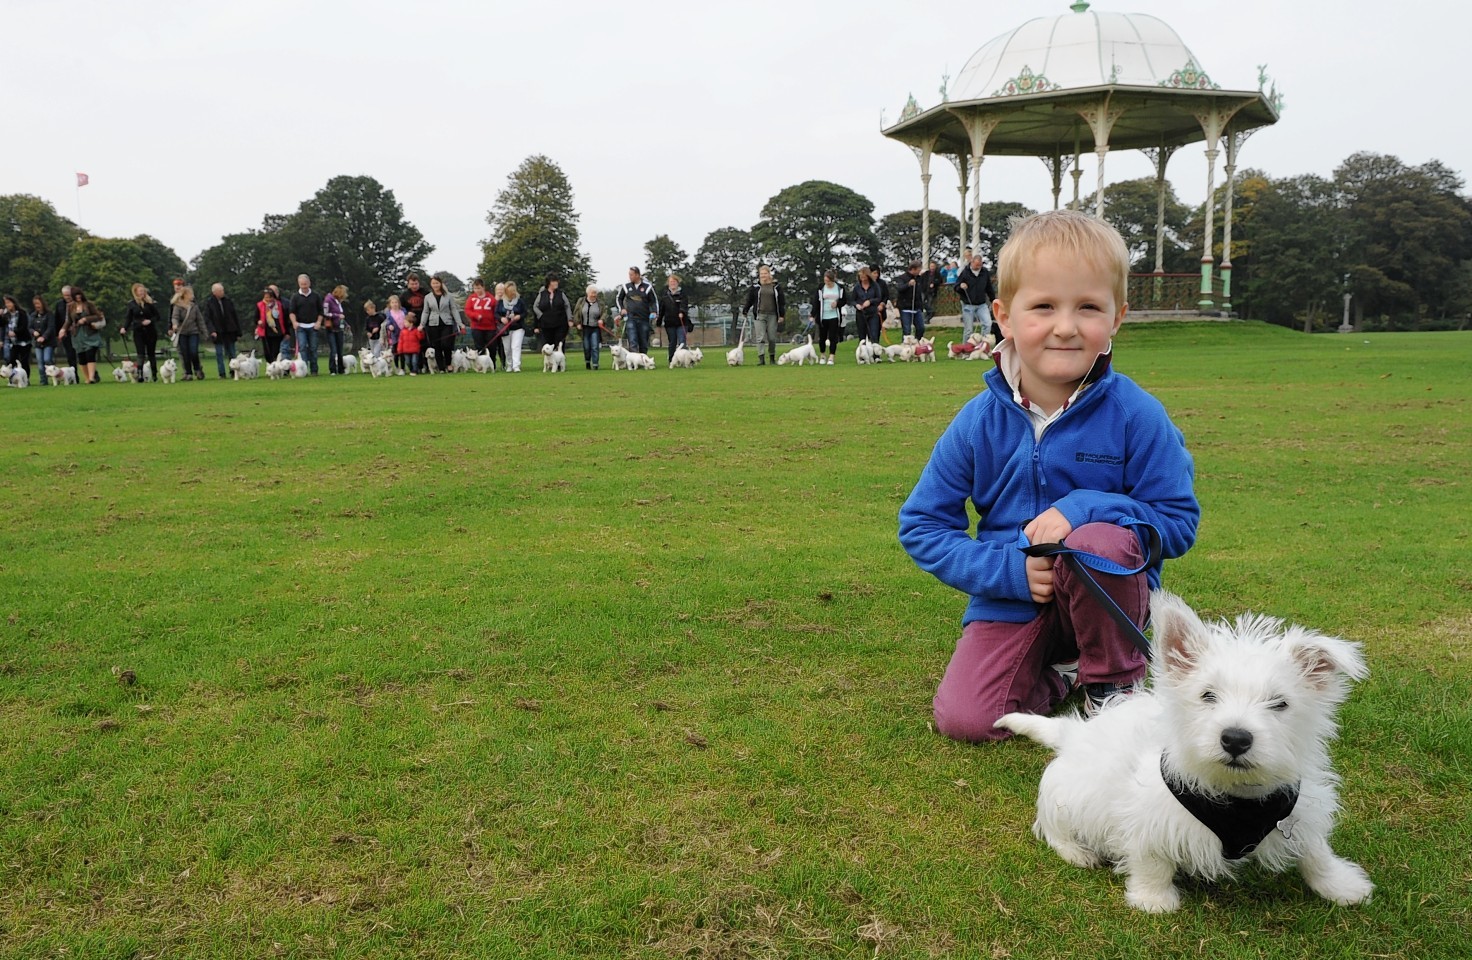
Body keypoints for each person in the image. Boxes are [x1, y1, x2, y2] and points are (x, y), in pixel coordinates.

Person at [897, 210, 1200, 744]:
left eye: (1088, 307)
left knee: (1097, 540)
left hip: (1107, 594)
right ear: (1004, 316)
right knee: (969, 721)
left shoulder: (1138, 414)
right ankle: (1063, 675)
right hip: (1014, 598)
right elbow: (922, 525)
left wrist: (1085, 507)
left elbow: (1177, 523)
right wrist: (1010, 571)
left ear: (1117, 317)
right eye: (1043, 307)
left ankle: (1114, 686)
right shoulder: (978, 421)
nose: (1065, 326)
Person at [741, 265, 786, 366]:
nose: (763, 276)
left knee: (771, 338)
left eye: (765, 273)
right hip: (759, 315)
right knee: (760, 338)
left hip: (773, 315)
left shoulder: (776, 287)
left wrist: (782, 315)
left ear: (769, 274)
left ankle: (772, 357)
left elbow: (782, 302)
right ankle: (761, 358)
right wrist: (745, 310)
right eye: (761, 274)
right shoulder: (756, 288)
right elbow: (750, 300)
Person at [420, 275, 462, 373]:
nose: (435, 285)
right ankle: (441, 367)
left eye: (437, 283)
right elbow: (425, 311)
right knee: (436, 346)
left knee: (446, 344)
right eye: (433, 283)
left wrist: (459, 323)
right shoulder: (428, 297)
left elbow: (453, 309)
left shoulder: (448, 296)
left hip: (446, 322)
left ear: (440, 284)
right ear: (431, 284)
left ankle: (448, 363)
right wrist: (422, 324)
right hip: (433, 323)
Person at [121, 283, 162, 381]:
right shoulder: (132, 304)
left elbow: (157, 316)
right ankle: (140, 374)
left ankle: (154, 374)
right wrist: (124, 328)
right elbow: (129, 318)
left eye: (143, 291)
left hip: (150, 331)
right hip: (138, 331)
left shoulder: (150, 303)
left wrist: (150, 321)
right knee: (140, 353)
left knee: (151, 353)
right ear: (136, 292)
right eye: (140, 291)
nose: (142, 293)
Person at [67, 288, 106, 384]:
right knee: (81, 357)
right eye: (76, 296)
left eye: (79, 295)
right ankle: (87, 378)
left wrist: (86, 319)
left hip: (90, 333)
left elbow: (98, 316)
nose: (78, 297)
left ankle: (92, 377)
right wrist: (63, 330)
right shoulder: (70, 306)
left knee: (90, 355)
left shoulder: (89, 304)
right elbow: (68, 321)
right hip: (78, 335)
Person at [203, 282, 242, 380]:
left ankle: (234, 371)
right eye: (221, 291)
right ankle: (222, 373)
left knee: (232, 353)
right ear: (215, 292)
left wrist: (238, 331)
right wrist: (212, 330)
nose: (222, 292)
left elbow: (234, 316)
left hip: (230, 331)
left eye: (223, 290)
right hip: (218, 332)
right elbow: (207, 318)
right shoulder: (209, 303)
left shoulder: (228, 301)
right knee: (219, 354)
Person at [956, 254, 998, 343]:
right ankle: (966, 349)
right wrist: (961, 286)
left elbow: (989, 288)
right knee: (969, 329)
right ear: (972, 262)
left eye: (980, 265)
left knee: (987, 324)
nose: (978, 267)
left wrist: (993, 300)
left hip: (982, 304)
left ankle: (983, 346)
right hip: (968, 304)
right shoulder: (965, 272)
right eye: (976, 265)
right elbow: (956, 286)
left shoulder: (984, 272)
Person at [169, 284, 207, 381]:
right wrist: (175, 324)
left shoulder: (194, 307)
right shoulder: (177, 306)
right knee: (185, 353)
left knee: (193, 352)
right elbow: (175, 317)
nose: (192, 296)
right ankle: (188, 373)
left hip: (193, 332)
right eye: (191, 294)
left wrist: (204, 332)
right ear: (185, 295)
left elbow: (200, 320)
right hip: (182, 333)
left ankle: (198, 369)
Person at [615, 267, 656, 355]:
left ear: (637, 275)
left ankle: (643, 360)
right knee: (632, 340)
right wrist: (622, 309)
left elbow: (653, 301)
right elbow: (619, 298)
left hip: (644, 318)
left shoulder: (647, 287)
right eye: (629, 274)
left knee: (643, 342)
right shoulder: (626, 287)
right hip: (631, 318)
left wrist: (654, 311)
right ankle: (634, 362)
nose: (630, 276)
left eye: (631, 275)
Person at [288, 274, 324, 375]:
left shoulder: (316, 296)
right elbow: (291, 312)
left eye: (305, 284)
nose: (304, 286)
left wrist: (318, 322)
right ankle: (303, 370)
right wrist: (294, 322)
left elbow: (321, 311)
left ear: (309, 283)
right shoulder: (295, 297)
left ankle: (314, 370)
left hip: (313, 326)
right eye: (302, 284)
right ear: (299, 284)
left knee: (313, 348)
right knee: (302, 347)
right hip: (300, 326)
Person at [811, 270, 846, 365]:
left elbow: (844, 300)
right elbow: (816, 302)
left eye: (828, 281)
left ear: (832, 280)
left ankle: (831, 356)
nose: (827, 283)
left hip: (834, 316)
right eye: (825, 280)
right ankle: (822, 355)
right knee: (822, 337)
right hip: (823, 316)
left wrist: (837, 303)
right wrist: (813, 314)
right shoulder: (821, 288)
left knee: (833, 337)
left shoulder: (840, 288)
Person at [533, 275, 573, 355]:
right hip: (546, 324)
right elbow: (535, 307)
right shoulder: (542, 294)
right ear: (549, 283)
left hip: (560, 322)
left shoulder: (561, 294)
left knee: (559, 343)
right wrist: (541, 315)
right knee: (549, 344)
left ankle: (560, 363)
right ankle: (550, 363)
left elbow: (567, 306)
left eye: (556, 281)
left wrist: (570, 319)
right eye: (554, 281)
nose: (556, 283)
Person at [657, 273, 690, 364]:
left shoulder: (683, 294)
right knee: (672, 342)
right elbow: (661, 310)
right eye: (671, 282)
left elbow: (684, 305)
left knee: (682, 342)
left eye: (674, 282)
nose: (673, 283)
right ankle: (672, 360)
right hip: (669, 323)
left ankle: (685, 360)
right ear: (668, 283)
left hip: (681, 322)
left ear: (677, 283)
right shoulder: (664, 296)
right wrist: (658, 323)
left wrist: (682, 312)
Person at [463, 278, 499, 360]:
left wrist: (496, 321)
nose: (477, 290)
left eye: (478, 288)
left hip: (490, 327)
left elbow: (496, 311)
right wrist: (475, 315)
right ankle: (481, 364)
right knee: (479, 346)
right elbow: (467, 310)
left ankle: (492, 362)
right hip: (477, 327)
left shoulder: (491, 298)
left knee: (492, 346)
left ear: (483, 287)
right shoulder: (471, 298)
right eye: (475, 288)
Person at [893, 260, 929, 339]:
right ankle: (905, 346)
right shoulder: (902, 278)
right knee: (907, 330)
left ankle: (917, 342)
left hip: (917, 307)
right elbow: (900, 288)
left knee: (921, 328)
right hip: (905, 308)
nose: (919, 272)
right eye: (918, 270)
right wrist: (908, 284)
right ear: (913, 269)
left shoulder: (919, 278)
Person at [496, 281, 527, 372]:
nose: (512, 294)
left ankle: (516, 365)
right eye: (509, 292)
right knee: (507, 348)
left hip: (518, 327)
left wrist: (519, 316)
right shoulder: (501, 302)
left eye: (513, 291)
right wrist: (501, 318)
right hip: (505, 329)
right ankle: (509, 364)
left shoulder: (520, 301)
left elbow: (525, 312)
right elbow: (496, 314)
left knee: (516, 346)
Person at [575, 284, 606, 370]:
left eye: (595, 293)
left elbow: (604, 313)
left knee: (595, 346)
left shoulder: (600, 303)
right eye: (592, 293)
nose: (594, 295)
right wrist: (577, 323)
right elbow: (577, 312)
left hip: (595, 327)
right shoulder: (581, 301)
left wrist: (602, 320)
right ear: (587, 293)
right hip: (585, 327)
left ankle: (595, 364)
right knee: (587, 346)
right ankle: (587, 362)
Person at [256, 287, 291, 362]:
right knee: (267, 352)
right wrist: (258, 322)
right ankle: (270, 365)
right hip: (265, 331)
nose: (268, 299)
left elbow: (285, 319)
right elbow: (255, 318)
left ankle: (276, 365)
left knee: (276, 351)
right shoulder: (260, 305)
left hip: (277, 332)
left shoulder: (279, 305)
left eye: (270, 297)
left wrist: (287, 332)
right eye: (266, 297)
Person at [850, 266, 882, 345]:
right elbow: (852, 300)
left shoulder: (875, 285)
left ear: (868, 276)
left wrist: (870, 301)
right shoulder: (857, 287)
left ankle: (875, 355)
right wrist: (856, 305)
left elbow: (878, 298)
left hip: (873, 313)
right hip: (861, 314)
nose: (862, 279)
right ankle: (863, 355)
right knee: (862, 337)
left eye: (864, 277)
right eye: (861, 277)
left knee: (874, 335)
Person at [322, 284, 348, 375]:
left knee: (340, 350)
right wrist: (336, 315)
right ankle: (332, 369)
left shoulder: (338, 302)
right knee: (333, 349)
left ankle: (341, 369)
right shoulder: (328, 300)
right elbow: (325, 313)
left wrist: (346, 324)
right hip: (331, 328)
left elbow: (341, 315)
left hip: (339, 328)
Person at [53, 286, 77, 382]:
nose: (67, 297)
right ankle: (74, 377)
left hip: (77, 332)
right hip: (66, 334)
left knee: (83, 355)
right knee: (70, 355)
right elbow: (57, 319)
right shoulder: (59, 304)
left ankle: (92, 374)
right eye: (65, 295)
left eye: (69, 295)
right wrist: (58, 333)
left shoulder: (78, 303)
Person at [3, 295, 31, 379]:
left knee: (24, 362)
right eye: (6, 303)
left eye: (9, 303)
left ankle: (26, 379)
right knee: (11, 361)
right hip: (13, 342)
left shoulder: (22, 313)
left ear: (14, 303)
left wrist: (15, 332)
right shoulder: (7, 315)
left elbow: (24, 326)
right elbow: (1, 324)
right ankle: (12, 379)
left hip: (24, 341)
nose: (7, 305)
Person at [29, 295, 55, 384]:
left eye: (38, 303)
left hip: (48, 342)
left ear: (42, 303)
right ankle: (43, 381)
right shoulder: (33, 315)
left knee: (47, 359)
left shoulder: (49, 314)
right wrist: (33, 332)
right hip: (37, 343)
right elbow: (29, 327)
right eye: (35, 304)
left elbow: (51, 327)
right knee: (40, 363)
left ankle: (54, 376)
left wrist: (44, 337)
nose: (37, 306)